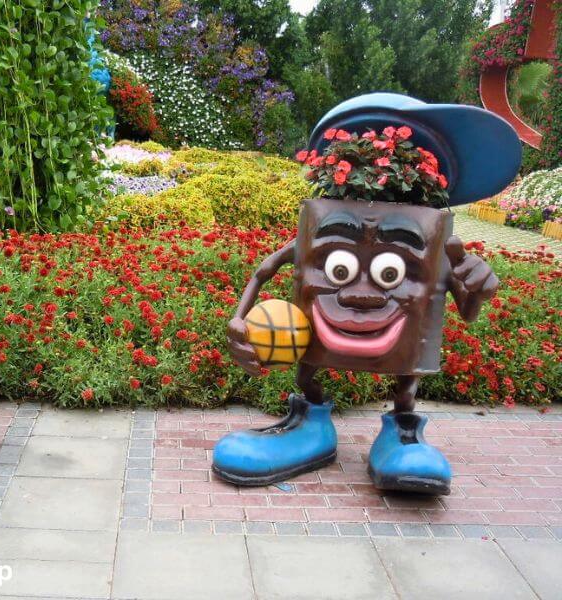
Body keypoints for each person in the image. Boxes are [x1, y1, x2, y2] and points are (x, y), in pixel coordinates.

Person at [212, 93, 522, 494]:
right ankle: (310, 424)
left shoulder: (442, 251)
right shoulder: (312, 235)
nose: (362, 295)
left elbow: (466, 310)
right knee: (310, 367)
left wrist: (478, 291)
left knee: (405, 377)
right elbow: (265, 269)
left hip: (404, 347)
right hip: (315, 341)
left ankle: (403, 431)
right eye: (337, 268)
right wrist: (239, 320)